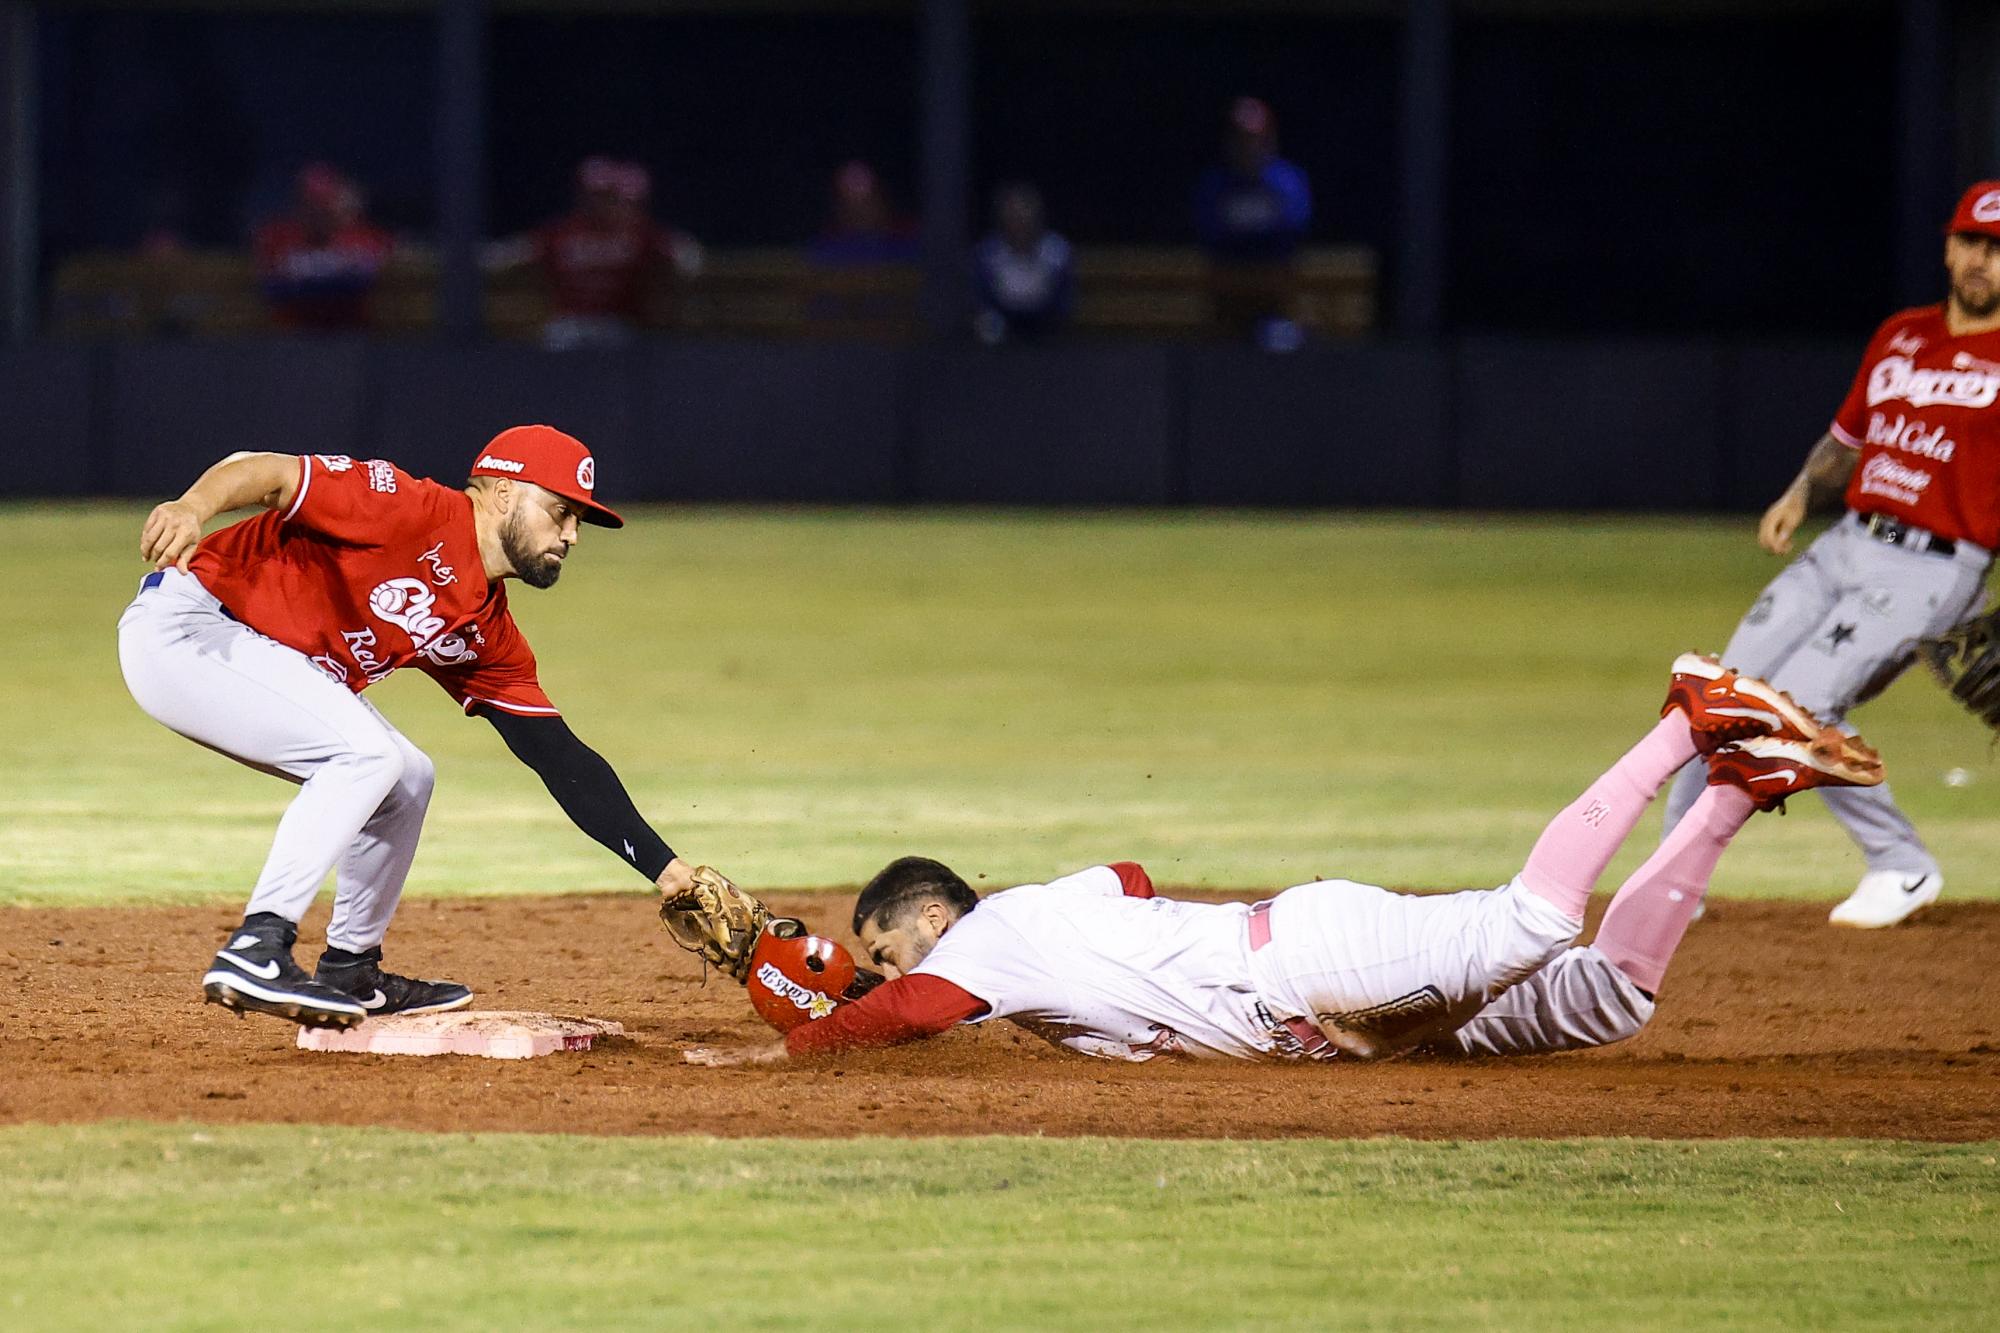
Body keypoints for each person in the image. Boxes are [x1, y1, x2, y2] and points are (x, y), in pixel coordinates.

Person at [685, 655, 1883, 1066]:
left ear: (930, 916)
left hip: (1308, 960)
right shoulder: (1053, 910)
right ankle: (1733, 787)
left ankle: (1683, 718)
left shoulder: (989, 941)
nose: (892, 968)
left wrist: (790, 1044)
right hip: (1327, 1018)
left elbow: (909, 1011)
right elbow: (1134, 874)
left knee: (1528, 925)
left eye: (889, 946)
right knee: (1602, 1001)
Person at [119, 426, 714, 1029]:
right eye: (560, 511)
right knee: (368, 757)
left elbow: (558, 756)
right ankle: (257, 947)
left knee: (408, 777)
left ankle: (352, 969)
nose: (571, 534)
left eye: (578, 521)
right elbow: (265, 470)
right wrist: (192, 507)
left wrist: (672, 876)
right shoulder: (408, 507)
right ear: (504, 493)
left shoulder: (486, 628)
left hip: (255, 655)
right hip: (189, 630)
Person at [1660, 180, 2000, 930]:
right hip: (1848, 541)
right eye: (1972, 241)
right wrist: (1796, 495)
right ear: (1948, 247)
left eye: (1997, 250)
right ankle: (1672, 878)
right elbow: (1847, 441)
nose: (1982, 260)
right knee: (1722, 694)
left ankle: (1902, 865)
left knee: (1804, 707)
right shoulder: (1901, 335)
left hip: (1939, 565)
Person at [491, 156, 703, 350]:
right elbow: (508, 254)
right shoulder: (562, 232)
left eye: (606, 196)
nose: (598, 203)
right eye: (593, 195)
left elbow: (686, 256)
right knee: (559, 337)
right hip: (570, 324)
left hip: (620, 325)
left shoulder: (639, 233)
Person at [1193, 97, 1311, 351]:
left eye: (1254, 137)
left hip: (1275, 291)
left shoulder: (1287, 182)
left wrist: (1247, 233)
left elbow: (1294, 227)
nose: (1248, 146)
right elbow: (1209, 230)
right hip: (1226, 293)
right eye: (1241, 138)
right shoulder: (1214, 185)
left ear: (1269, 139)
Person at [252, 163, 394, 332]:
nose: (317, 214)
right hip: (292, 335)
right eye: (310, 206)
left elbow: (383, 274)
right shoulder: (277, 237)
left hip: (352, 335)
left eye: (324, 206)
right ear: (297, 207)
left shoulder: (366, 237)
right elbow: (270, 285)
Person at [971, 183, 1075, 346]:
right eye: (1013, 216)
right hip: (1002, 323)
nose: (1019, 223)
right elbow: (981, 295)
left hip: (1045, 322)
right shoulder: (988, 253)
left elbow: (1064, 295)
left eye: (1024, 216)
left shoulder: (1056, 250)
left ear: (1037, 217)